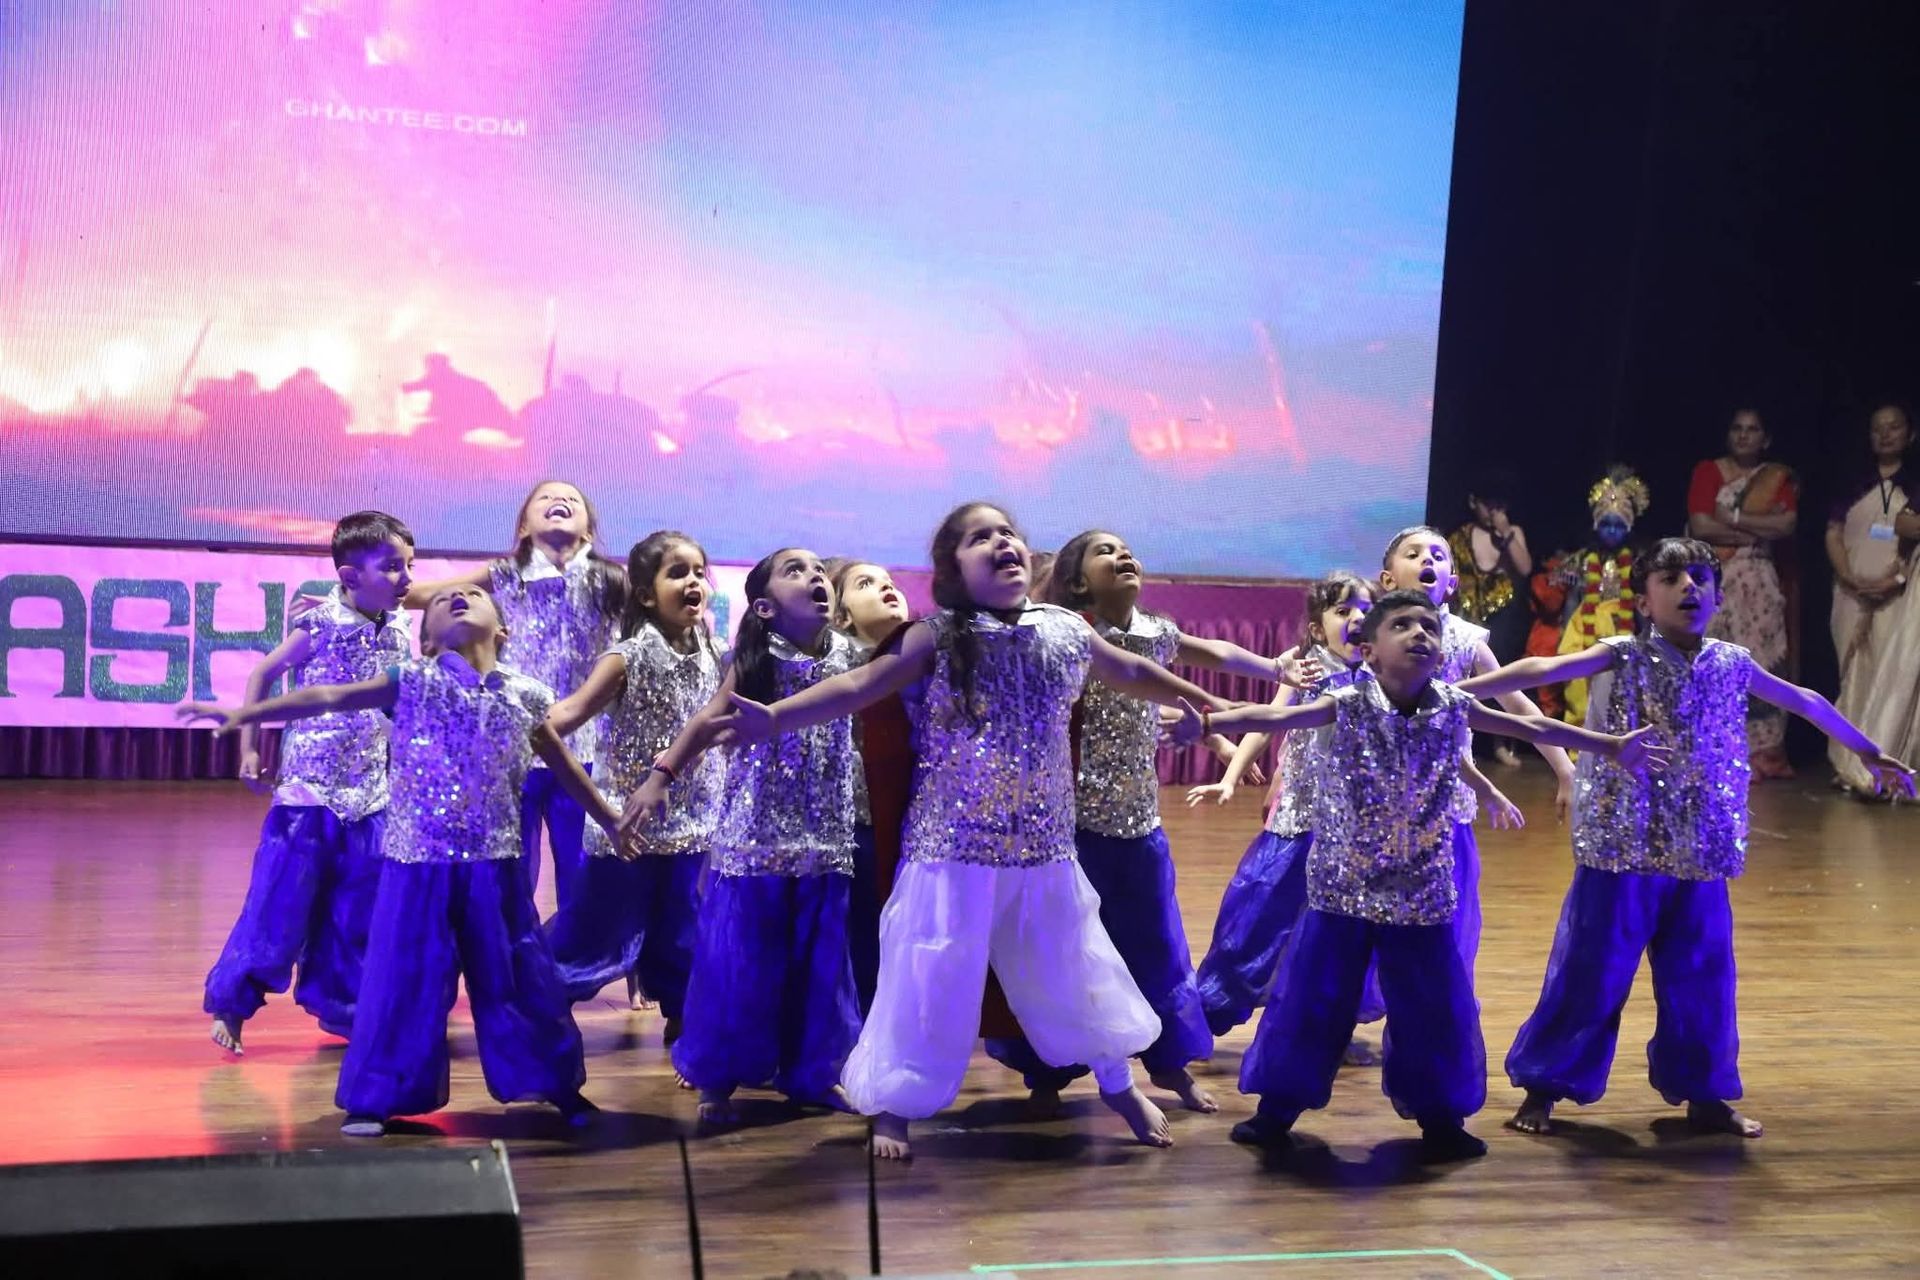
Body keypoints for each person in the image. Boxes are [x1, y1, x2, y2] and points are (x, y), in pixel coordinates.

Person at [706, 502, 1231, 1161]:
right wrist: (775, 718)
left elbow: (1129, 671)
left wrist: (1216, 703)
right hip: (950, 849)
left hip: (1043, 848)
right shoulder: (938, 635)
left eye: (1007, 533)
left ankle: (1118, 1082)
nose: (1001, 542)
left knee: (1077, 965)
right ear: (953, 567)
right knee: (927, 976)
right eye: (980, 537)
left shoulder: (1064, 629)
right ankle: (896, 1104)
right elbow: (860, 686)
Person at [1459, 537, 1915, 1138]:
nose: (1689, 589)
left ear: (1718, 595)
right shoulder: (1620, 654)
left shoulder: (1730, 661)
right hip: (1623, 848)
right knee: (1592, 971)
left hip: (1699, 849)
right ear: (1644, 601)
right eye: (1672, 579)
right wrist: (1450, 697)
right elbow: (1544, 670)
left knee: (1701, 976)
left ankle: (1705, 1095)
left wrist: (1869, 751)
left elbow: (1804, 700)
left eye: (1700, 578)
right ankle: (1545, 1088)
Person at [1207, 590, 1669, 1159]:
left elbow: (1538, 730)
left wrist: (1608, 745)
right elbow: (1276, 715)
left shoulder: (1453, 703)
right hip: (1342, 889)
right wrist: (1210, 722)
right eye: (1402, 624)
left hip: (1420, 892)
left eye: (1428, 624)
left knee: (1431, 1008)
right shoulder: (1346, 701)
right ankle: (1276, 1109)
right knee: (1313, 1000)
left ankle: (1441, 1117)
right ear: (1370, 651)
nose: (1420, 633)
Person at [185, 583, 615, 1136]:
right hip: (419, 866)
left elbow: (561, 764)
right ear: (427, 640)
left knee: (520, 974)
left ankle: (556, 1084)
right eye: (443, 599)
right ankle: (375, 1097)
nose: (459, 596)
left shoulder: (528, 694)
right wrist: (250, 711)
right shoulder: (410, 681)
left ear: (502, 632)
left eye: (475, 594)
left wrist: (608, 818)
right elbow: (328, 698)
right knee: (404, 978)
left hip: (498, 864)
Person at [981, 529, 1317, 1116]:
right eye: (1104, 552)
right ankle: (1047, 1066)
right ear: (1080, 579)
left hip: (1139, 823)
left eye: (1126, 548)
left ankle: (1169, 1064)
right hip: (1074, 825)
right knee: (1065, 948)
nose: (1122, 555)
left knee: (1157, 946)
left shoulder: (1159, 633)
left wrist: (1272, 668)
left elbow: (1214, 655)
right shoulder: (1069, 635)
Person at [628, 549, 864, 1125]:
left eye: (817, 569)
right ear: (763, 606)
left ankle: (813, 1073)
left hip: (824, 835)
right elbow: (707, 721)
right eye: (794, 571)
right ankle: (720, 1074)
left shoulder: (851, 657)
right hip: (754, 835)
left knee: (821, 962)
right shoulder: (756, 661)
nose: (814, 577)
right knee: (741, 960)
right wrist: (661, 777)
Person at [199, 511, 415, 1055]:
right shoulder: (319, 622)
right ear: (349, 577)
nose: (405, 577)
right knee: (281, 899)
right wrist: (250, 746)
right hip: (309, 789)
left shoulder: (403, 630)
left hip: (371, 790)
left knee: (357, 907)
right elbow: (261, 675)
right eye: (392, 567)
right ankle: (234, 1001)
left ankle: (344, 1008)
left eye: (408, 565)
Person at [400, 480, 627, 907]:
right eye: (545, 498)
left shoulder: (612, 580)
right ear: (524, 526)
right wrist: (351, 595)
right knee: (511, 868)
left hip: (587, 749)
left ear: (589, 532)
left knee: (583, 876)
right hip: (512, 746)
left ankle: (569, 970)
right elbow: (424, 596)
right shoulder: (503, 574)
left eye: (571, 499)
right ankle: (512, 961)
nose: (559, 500)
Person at [1377, 526, 1576, 984]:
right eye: (1413, 553)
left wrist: (1564, 769)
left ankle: (1432, 1025)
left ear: (1451, 582)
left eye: (1439, 555)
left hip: (1447, 810)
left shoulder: (1466, 641)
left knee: (1446, 930)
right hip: (1378, 811)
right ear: (1388, 579)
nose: (1427, 559)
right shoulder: (1368, 638)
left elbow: (1519, 708)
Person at [541, 531, 720, 1033]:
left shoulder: (712, 649)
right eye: (677, 572)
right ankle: (538, 1000)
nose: (693, 582)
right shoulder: (627, 656)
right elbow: (570, 713)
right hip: (629, 825)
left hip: (692, 819)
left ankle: (685, 1020)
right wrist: (519, 722)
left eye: (698, 572)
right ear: (645, 594)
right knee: (596, 927)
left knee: (682, 928)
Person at [1687, 409, 1800, 778]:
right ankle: (1713, 749)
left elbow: (1785, 525)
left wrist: (1732, 520)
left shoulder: (1775, 477)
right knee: (1715, 665)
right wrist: (1752, 533)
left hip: (1761, 585)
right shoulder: (1709, 471)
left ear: (1765, 438)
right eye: (1737, 428)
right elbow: (1702, 525)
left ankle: (1762, 756)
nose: (1743, 436)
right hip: (1717, 581)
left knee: (1762, 665)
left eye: (1752, 430)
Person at [826, 558, 914, 1013]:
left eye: (890, 582)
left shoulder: (922, 660)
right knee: (862, 935)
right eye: (866, 583)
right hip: (858, 825)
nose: (886, 588)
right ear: (842, 617)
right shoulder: (834, 664)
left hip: (913, 823)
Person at [1826, 403, 1920, 797]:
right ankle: (1847, 764)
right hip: (1850, 590)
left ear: (1910, 434)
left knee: (1888, 675)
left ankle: (1880, 766)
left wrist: (1893, 579)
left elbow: (1908, 533)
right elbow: (1833, 531)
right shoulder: (1854, 480)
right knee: (1853, 676)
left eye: (1894, 427)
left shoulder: (1914, 480)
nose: (1885, 435)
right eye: (1877, 428)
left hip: (1897, 593)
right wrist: (1849, 577)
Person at [1556, 467, 1652, 727]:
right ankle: (1578, 741)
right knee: (1578, 684)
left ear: (1629, 528)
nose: (1612, 531)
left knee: (1618, 685)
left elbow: (1641, 606)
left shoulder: (1637, 563)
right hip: (1583, 628)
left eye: (1619, 526)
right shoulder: (1583, 561)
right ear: (1596, 526)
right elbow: (1573, 600)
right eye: (1606, 525)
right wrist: (1566, 630)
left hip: (1621, 630)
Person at [1449, 485, 1534, 765]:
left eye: (1501, 505)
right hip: (1472, 616)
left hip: (1506, 616)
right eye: (1490, 505)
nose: (1495, 512)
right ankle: (1468, 740)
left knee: (1504, 678)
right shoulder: (1460, 537)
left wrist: (1506, 532)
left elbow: (1524, 568)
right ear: (1474, 501)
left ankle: (1502, 744)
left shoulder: (1512, 533)